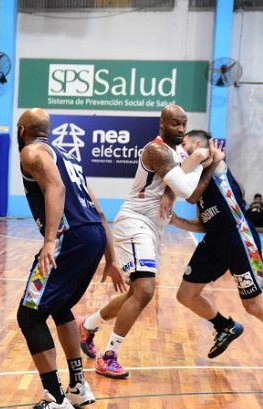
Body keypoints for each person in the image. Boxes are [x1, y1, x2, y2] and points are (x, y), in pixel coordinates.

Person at [77, 105, 219, 379]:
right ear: (162, 123)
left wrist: (173, 188)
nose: (180, 129)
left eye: (184, 124)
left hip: (154, 228)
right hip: (136, 222)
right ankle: (109, 357)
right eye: (175, 123)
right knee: (144, 291)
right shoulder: (156, 150)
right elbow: (186, 189)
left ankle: (88, 325)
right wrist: (203, 160)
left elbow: (181, 183)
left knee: (135, 292)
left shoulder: (177, 153)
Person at [12, 108, 126, 409]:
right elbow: (99, 211)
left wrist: (50, 240)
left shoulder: (31, 151)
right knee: (60, 306)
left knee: (29, 315)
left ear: (22, 130)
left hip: (69, 238)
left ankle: (55, 400)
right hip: (92, 235)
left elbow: (56, 189)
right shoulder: (70, 159)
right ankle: (77, 385)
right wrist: (111, 258)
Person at [171, 130, 259, 359]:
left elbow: (185, 183)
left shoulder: (211, 158)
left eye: (184, 143)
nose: (181, 148)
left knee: (253, 305)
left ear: (198, 144)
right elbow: (205, 223)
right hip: (215, 240)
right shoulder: (198, 179)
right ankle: (225, 326)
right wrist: (176, 221)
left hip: (239, 238)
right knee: (186, 295)